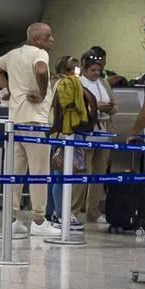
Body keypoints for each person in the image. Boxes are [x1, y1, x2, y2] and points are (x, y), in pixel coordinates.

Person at [0, 22, 59, 237]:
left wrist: (7, 88)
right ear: (36, 39)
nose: (52, 39)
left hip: (14, 122)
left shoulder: (13, 54)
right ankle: (39, 221)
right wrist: (43, 92)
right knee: (39, 172)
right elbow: (41, 69)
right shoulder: (40, 54)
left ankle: (12, 219)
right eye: (48, 36)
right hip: (35, 122)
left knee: (14, 173)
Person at [46, 55, 90, 230]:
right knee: (62, 176)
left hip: (52, 132)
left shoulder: (51, 82)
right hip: (66, 132)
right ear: (66, 70)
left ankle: (50, 212)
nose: (75, 72)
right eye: (73, 69)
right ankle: (61, 214)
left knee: (53, 174)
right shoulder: (68, 83)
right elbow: (71, 108)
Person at [81, 50, 117, 223]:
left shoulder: (104, 83)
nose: (96, 73)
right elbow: (76, 107)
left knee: (99, 173)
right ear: (84, 69)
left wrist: (110, 108)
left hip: (103, 129)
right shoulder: (78, 83)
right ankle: (73, 210)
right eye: (93, 70)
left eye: (98, 70)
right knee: (81, 171)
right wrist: (95, 108)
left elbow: (115, 106)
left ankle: (93, 211)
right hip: (86, 130)